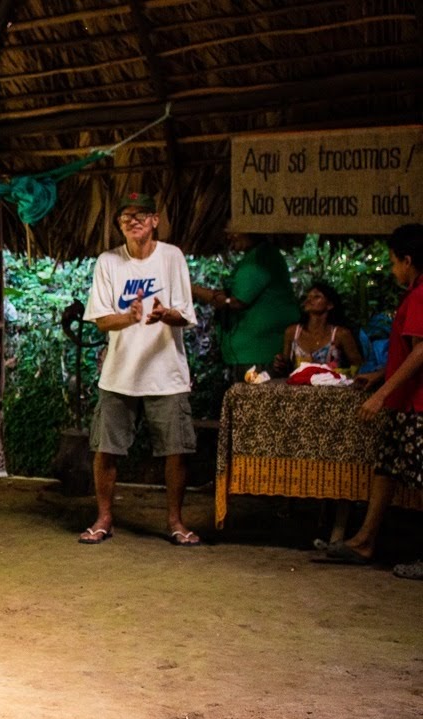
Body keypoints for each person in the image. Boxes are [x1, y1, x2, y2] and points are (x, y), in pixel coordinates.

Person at [81, 192, 201, 546]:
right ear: (119, 225)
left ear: (154, 221)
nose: (132, 222)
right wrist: (129, 317)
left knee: (175, 450)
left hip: (167, 373)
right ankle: (104, 518)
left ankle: (175, 522)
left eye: (140, 215)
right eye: (125, 217)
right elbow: (102, 320)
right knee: (106, 448)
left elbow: (186, 314)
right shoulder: (108, 262)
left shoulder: (172, 257)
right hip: (120, 373)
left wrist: (166, 315)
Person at [322, 224, 423, 578]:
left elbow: (421, 352)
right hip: (403, 401)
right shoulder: (414, 294)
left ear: (408, 261)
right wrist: (380, 376)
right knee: (385, 469)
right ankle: (364, 540)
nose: (393, 269)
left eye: (394, 262)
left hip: (416, 404)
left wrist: (381, 393)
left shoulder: (421, 295)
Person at [191, 228, 299, 380]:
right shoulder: (254, 257)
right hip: (247, 354)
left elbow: (237, 302)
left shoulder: (262, 257)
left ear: (251, 229)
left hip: (259, 355)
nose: (229, 236)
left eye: (234, 231)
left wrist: (190, 288)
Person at [273, 281, 363, 374]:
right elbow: (285, 367)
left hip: (332, 387)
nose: (309, 300)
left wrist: (341, 373)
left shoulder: (340, 334)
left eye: (316, 297)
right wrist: (280, 364)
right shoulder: (293, 332)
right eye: (308, 297)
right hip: (298, 386)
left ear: (330, 305)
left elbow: (360, 367)